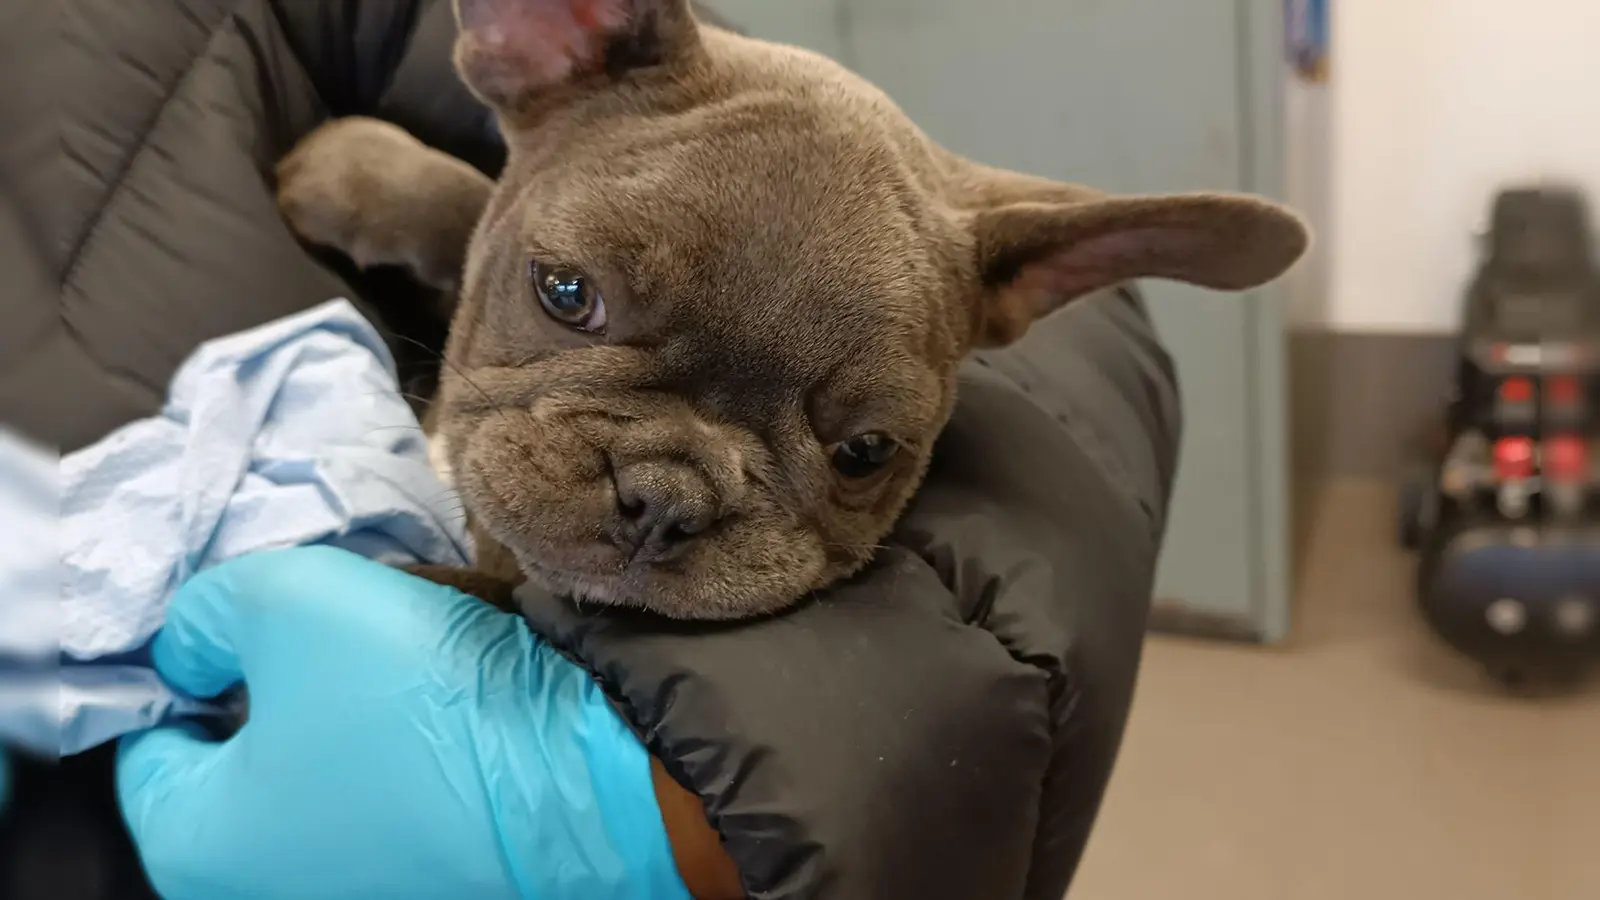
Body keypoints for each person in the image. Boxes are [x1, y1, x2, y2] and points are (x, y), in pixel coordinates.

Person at [7, 1, 1182, 897]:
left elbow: (1047, 475)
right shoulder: (600, 104)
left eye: (856, 449)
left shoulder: (669, 95)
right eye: (570, 294)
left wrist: (694, 812)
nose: (661, 500)